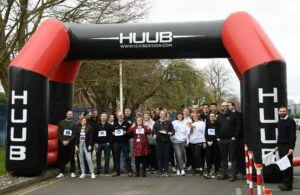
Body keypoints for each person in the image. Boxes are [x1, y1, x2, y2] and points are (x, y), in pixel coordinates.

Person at [216, 102, 240, 182]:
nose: (225, 107)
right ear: (221, 107)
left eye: (226, 106)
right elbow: (216, 127)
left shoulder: (234, 116)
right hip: (221, 140)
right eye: (223, 106)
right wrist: (217, 137)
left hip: (231, 140)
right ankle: (224, 174)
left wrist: (235, 136)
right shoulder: (219, 116)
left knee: (233, 158)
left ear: (229, 107)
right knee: (223, 158)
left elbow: (238, 126)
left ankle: (233, 175)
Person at [276, 106, 296, 191]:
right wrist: (277, 145)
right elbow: (280, 135)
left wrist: (291, 148)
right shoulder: (280, 121)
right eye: (280, 111)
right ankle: (284, 183)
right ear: (278, 112)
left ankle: (288, 185)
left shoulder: (291, 121)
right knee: (283, 165)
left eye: (284, 111)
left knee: (288, 166)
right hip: (280, 146)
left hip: (287, 147)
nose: (282, 112)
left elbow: (293, 136)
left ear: (287, 112)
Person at [153, 110, 175, 177]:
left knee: (166, 157)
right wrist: (154, 135)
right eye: (161, 114)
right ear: (159, 115)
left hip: (167, 142)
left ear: (165, 115)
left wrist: (170, 133)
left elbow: (173, 131)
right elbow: (154, 131)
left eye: (164, 114)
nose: (162, 115)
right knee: (159, 157)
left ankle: (165, 171)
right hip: (159, 142)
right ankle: (160, 171)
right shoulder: (156, 123)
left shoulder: (169, 122)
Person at [111, 111, 133, 177]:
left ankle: (129, 171)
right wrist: (113, 133)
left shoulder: (127, 123)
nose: (120, 116)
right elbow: (111, 133)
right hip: (116, 143)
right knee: (116, 157)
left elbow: (130, 133)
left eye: (121, 115)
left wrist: (126, 132)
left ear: (123, 116)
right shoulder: (114, 124)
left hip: (124, 142)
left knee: (126, 156)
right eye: (119, 115)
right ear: (117, 116)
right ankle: (117, 171)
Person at [56, 111, 77, 179]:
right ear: (66, 114)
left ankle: (72, 172)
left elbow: (74, 134)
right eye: (68, 114)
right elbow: (59, 133)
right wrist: (62, 141)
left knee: (72, 158)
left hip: (71, 143)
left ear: (72, 115)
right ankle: (61, 172)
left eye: (71, 114)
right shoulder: (61, 122)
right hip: (62, 143)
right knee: (62, 158)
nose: (69, 115)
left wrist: (68, 141)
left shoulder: (74, 123)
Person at [228, 102, 245, 178]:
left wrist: (235, 136)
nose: (228, 107)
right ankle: (235, 171)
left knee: (240, 155)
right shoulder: (228, 115)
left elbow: (239, 126)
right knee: (233, 156)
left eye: (229, 105)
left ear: (233, 106)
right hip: (229, 139)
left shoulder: (239, 114)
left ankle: (242, 172)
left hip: (238, 139)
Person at [188, 111, 206, 176]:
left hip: (199, 140)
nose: (194, 117)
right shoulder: (190, 123)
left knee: (197, 154)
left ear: (198, 116)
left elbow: (204, 132)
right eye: (193, 116)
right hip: (192, 141)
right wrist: (190, 129)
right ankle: (196, 168)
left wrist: (204, 141)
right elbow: (188, 133)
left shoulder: (202, 123)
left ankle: (201, 168)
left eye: (196, 116)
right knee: (194, 155)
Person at [171, 111, 189, 176]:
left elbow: (187, 132)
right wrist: (172, 138)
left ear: (182, 116)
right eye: (178, 115)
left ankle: (178, 168)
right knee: (178, 155)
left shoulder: (185, 123)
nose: (180, 116)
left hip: (183, 141)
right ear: (176, 116)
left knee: (180, 155)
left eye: (181, 115)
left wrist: (187, 141)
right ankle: (182, 169)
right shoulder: (173, 122)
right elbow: (171, 131)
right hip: (175, 141)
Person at [204, 113, 220, 179]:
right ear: (209, 117)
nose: (212, 117)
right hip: (208, 143)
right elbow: (206, 133)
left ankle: (216, 171)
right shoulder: (207, 124)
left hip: (215, 143)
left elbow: (218, 134)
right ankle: (208, 171)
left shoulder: (217, 124)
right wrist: (207, 141)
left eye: (213, 116)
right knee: (208, 157)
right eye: (211, 116)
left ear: (215, 117)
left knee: (216, 157)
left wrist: (212, 141)